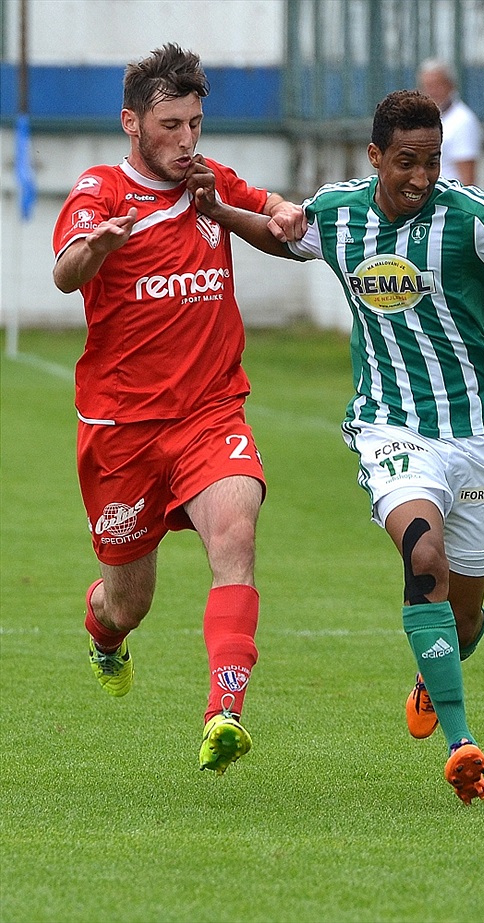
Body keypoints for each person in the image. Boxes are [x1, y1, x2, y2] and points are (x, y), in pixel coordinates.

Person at [190, 90, 484, 805]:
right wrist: (221, 214)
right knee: (421, 554)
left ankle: (433, 676)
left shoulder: (470, 218)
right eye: (406, 162)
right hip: (391, 426)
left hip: (480, 433)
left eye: (431, 162)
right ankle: (463, 744)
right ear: (375, 157)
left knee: (461, 617)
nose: (422, 177)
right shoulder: (339, 211)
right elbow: (287, 237)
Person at [51, 44, 305, 777]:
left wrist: (285, 210)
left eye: (196, 122)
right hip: (121, 432)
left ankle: (223, 713)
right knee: (129, 603)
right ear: (132, 122)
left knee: (235, 533)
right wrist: (94, 248)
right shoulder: (99, 190)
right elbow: (65, 272)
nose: (187, 140)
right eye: (170, 125)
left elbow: (268, 207)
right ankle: (105, 634)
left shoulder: (207, 181)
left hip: (209, 412)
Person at [417, 58, 481, 185]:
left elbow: (468, 180)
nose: (431, 92)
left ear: (451, 85)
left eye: (437, 85)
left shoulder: (462, 121)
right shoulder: (424, 118)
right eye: (427, 86)